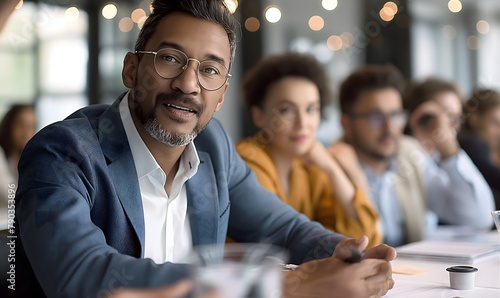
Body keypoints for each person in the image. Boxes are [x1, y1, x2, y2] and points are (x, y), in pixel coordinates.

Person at [14, 1, 396, 298]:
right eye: (169, 59)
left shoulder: (214, 147)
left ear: (221, 95)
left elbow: (283, 228)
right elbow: (81, 277)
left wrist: (345, 253)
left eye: (210, 70)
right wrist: (283, 286)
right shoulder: (63, 152)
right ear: (131, 70)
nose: (188, 84)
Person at [332, 64, 494, 247]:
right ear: (346, 123)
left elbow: (478, 217)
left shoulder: (409, 153)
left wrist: (448, 149)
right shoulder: (332, 168)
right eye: (375, 117)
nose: (389, 128)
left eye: (395, 115)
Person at [237, 52, 381, 247]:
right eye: (286, 110)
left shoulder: (310, 167)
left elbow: (366, 238)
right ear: (258, 115)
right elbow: (271, 244)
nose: (303, 123)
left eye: (311, 109)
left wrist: (332, 169)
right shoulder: (247, 161)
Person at [459, 89, 500, 210]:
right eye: (495, 123)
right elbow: (495, 177)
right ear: (474, 118)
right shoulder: (470, 142)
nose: (499, 132)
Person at [0, 104, 36, 208]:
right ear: (9, 125)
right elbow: (11, 196)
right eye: (22, 125)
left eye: (31, 126)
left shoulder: (29, 159)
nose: (27, 132)